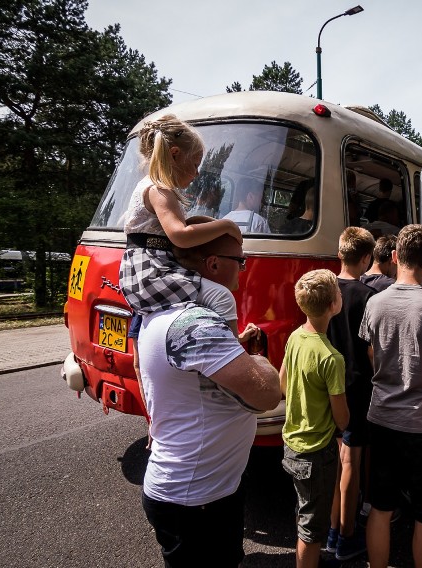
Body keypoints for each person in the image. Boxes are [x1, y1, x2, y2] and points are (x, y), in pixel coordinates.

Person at [138, 230, 282, 568]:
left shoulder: (166, 312)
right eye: (240, 261)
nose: (243, 269)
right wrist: (260, 361)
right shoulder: (195, 324)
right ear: (214, 264)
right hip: (194, 501)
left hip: (204, 492)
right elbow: (267, 394)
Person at [358, 224, 422, 568]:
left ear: (396, 256)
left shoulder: (375, 302)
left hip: (382, 418)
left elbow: (371, 352)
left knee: (381, 507)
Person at [119, 114, 242, 317]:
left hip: (142, 273)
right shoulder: (160, 190)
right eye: (195, 164)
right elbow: (181, 235)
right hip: (152, 274)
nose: (197, 173)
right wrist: (227, 226)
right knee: (222, 296)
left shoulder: (146, 186)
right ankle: (229, 347)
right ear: (175, 154)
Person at [280, 269, 349, 568]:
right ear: (333, 304)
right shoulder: (331, 357)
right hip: (317, 452)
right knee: (312, 529)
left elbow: (282, 385)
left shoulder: (296, 337)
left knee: (304, 513)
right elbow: (342, 419)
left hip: (292, 445)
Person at [325, 226, 377, 561]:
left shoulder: (325, 288)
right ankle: (346, 535)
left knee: (336, 461)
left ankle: (331, 529)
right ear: (366, 257)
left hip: (328, 384)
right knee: (351, 464)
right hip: (357, 386)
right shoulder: (366, 295)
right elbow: (372, 348)